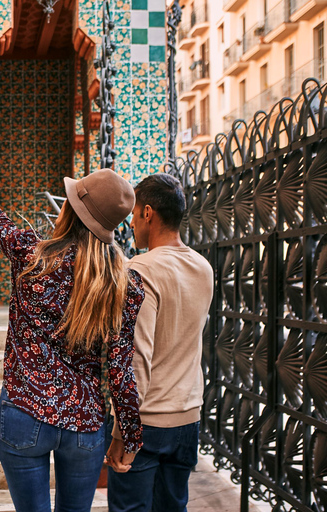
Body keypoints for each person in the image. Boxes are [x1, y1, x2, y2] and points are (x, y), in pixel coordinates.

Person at [0, 124, 145, 512]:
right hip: (86, 427)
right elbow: (122, 372)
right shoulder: (125, 285)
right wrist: (129, 435)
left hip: (25, 412)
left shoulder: (32, 256)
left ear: (71, 208)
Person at [105, 173, 214, 512]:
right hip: (188, 419)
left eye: (134, 214)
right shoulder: (203, 267)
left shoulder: (141, 270)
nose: (132, 222)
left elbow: (137, 358)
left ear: (148, 213)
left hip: (147, 423)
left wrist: (123, 433)